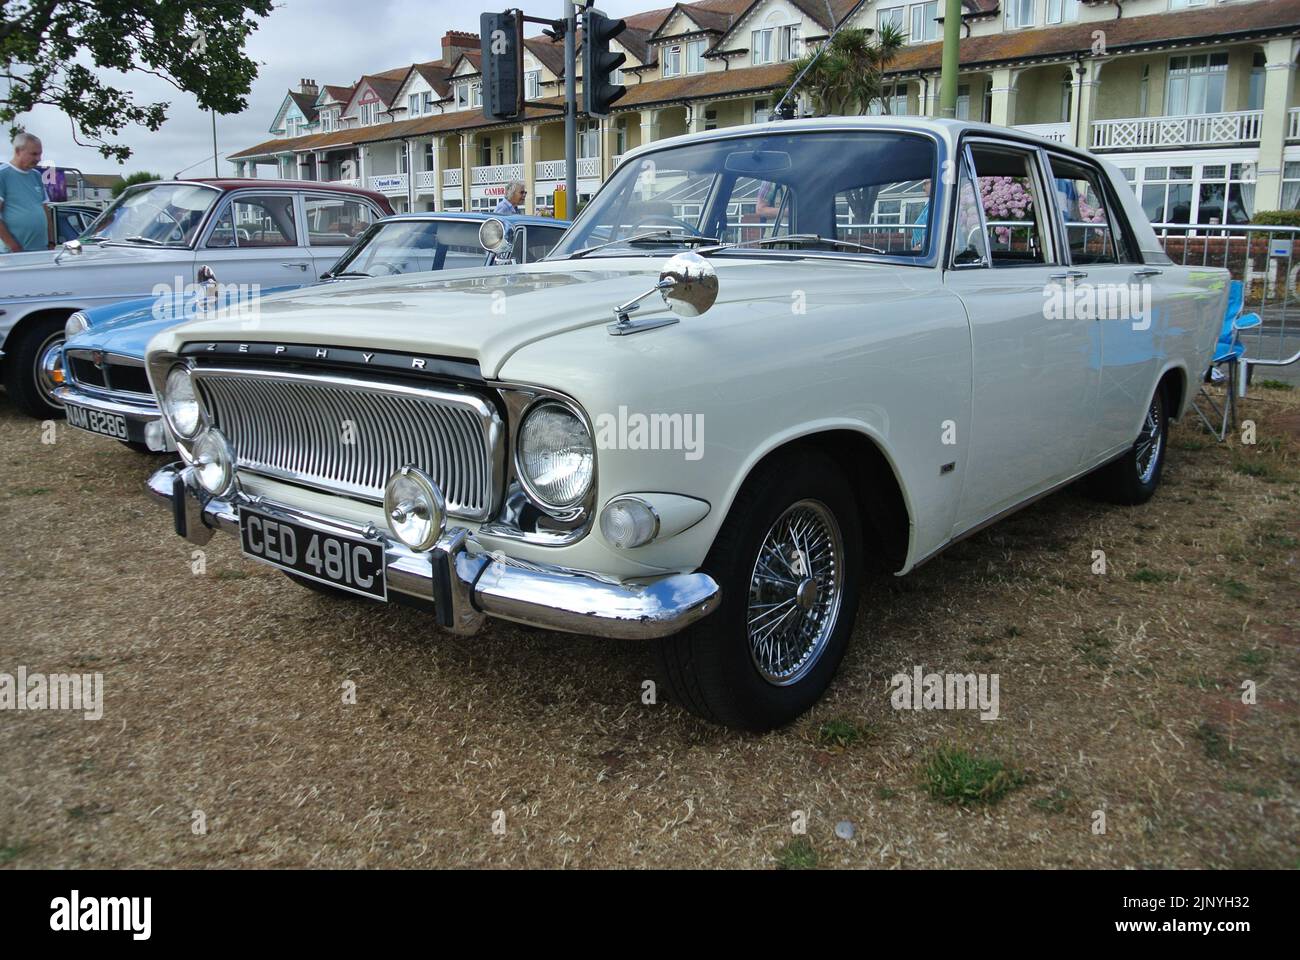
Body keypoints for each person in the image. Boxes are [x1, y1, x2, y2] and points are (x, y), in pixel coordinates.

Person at [0, 132, 48, 253]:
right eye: (34, 154)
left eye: (40, 154)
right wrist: (13, 246)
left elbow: (45, 209)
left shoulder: (36, 176)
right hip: (12, 254)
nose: (38, 159)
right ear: (18, 151)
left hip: (40, 250)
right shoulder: (3, 174)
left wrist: (51, 241)